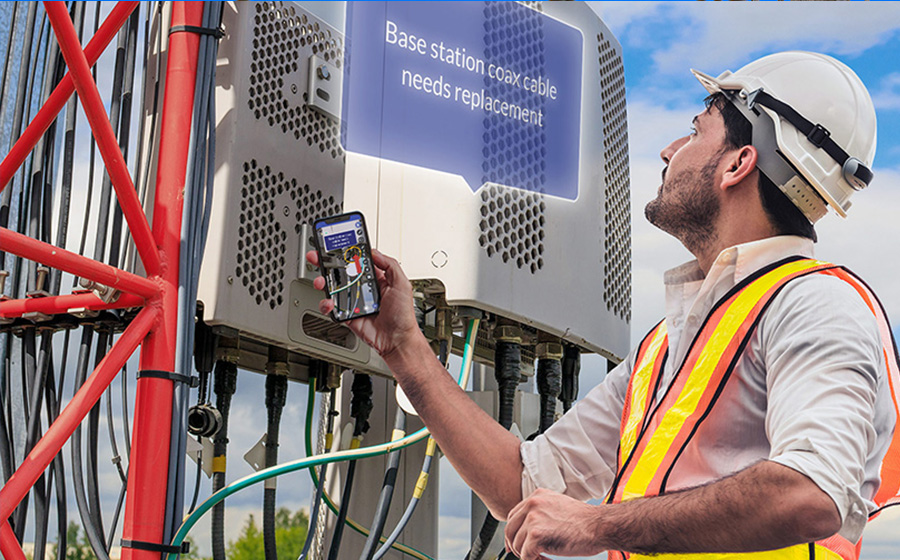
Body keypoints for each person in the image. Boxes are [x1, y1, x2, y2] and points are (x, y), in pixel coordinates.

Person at [307, 51, 898, 560]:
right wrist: (405, 348)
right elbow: (521, 484)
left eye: (696, 130)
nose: (670, 149)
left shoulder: (817, 304)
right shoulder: (667, 347)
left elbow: (810, 491)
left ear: (738, 163)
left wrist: (596, 524)